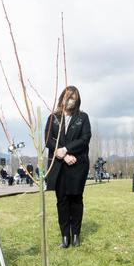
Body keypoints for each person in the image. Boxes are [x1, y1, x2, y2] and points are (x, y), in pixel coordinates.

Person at [45, 86, 91, 248]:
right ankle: (65, 236)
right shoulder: (53, 117)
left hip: (78, 164)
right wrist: (63, 155)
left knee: (76, 199)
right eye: (67, 96)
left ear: (77, 100)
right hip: (59, 164)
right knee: (62, 200)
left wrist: (67, 149)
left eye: (73, 97)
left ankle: (76, 234)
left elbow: (85, 138)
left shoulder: (82, 117)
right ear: (62, 98)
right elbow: (48, 139)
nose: (70, 100)